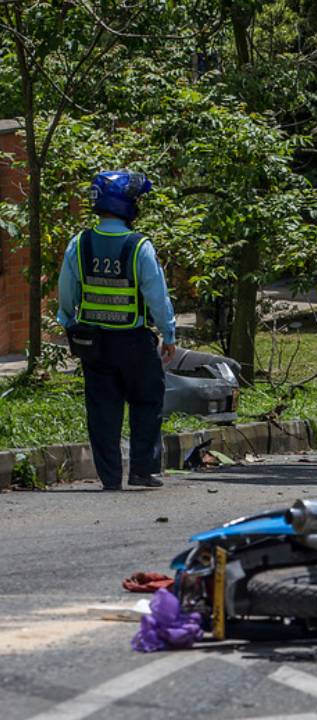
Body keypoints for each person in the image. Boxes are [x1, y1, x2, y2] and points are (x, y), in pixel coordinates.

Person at [56, 170, 177, 491]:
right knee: (147, 401)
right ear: (126, 205)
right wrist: (169, 334)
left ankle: (110, 477)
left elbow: (67, 293)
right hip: (135, 342)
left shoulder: (79, 244)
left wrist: (68, 321)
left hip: (93, 344)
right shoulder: (140, 247)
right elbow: (157, 297)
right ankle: (142, 470)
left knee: (102, 410)